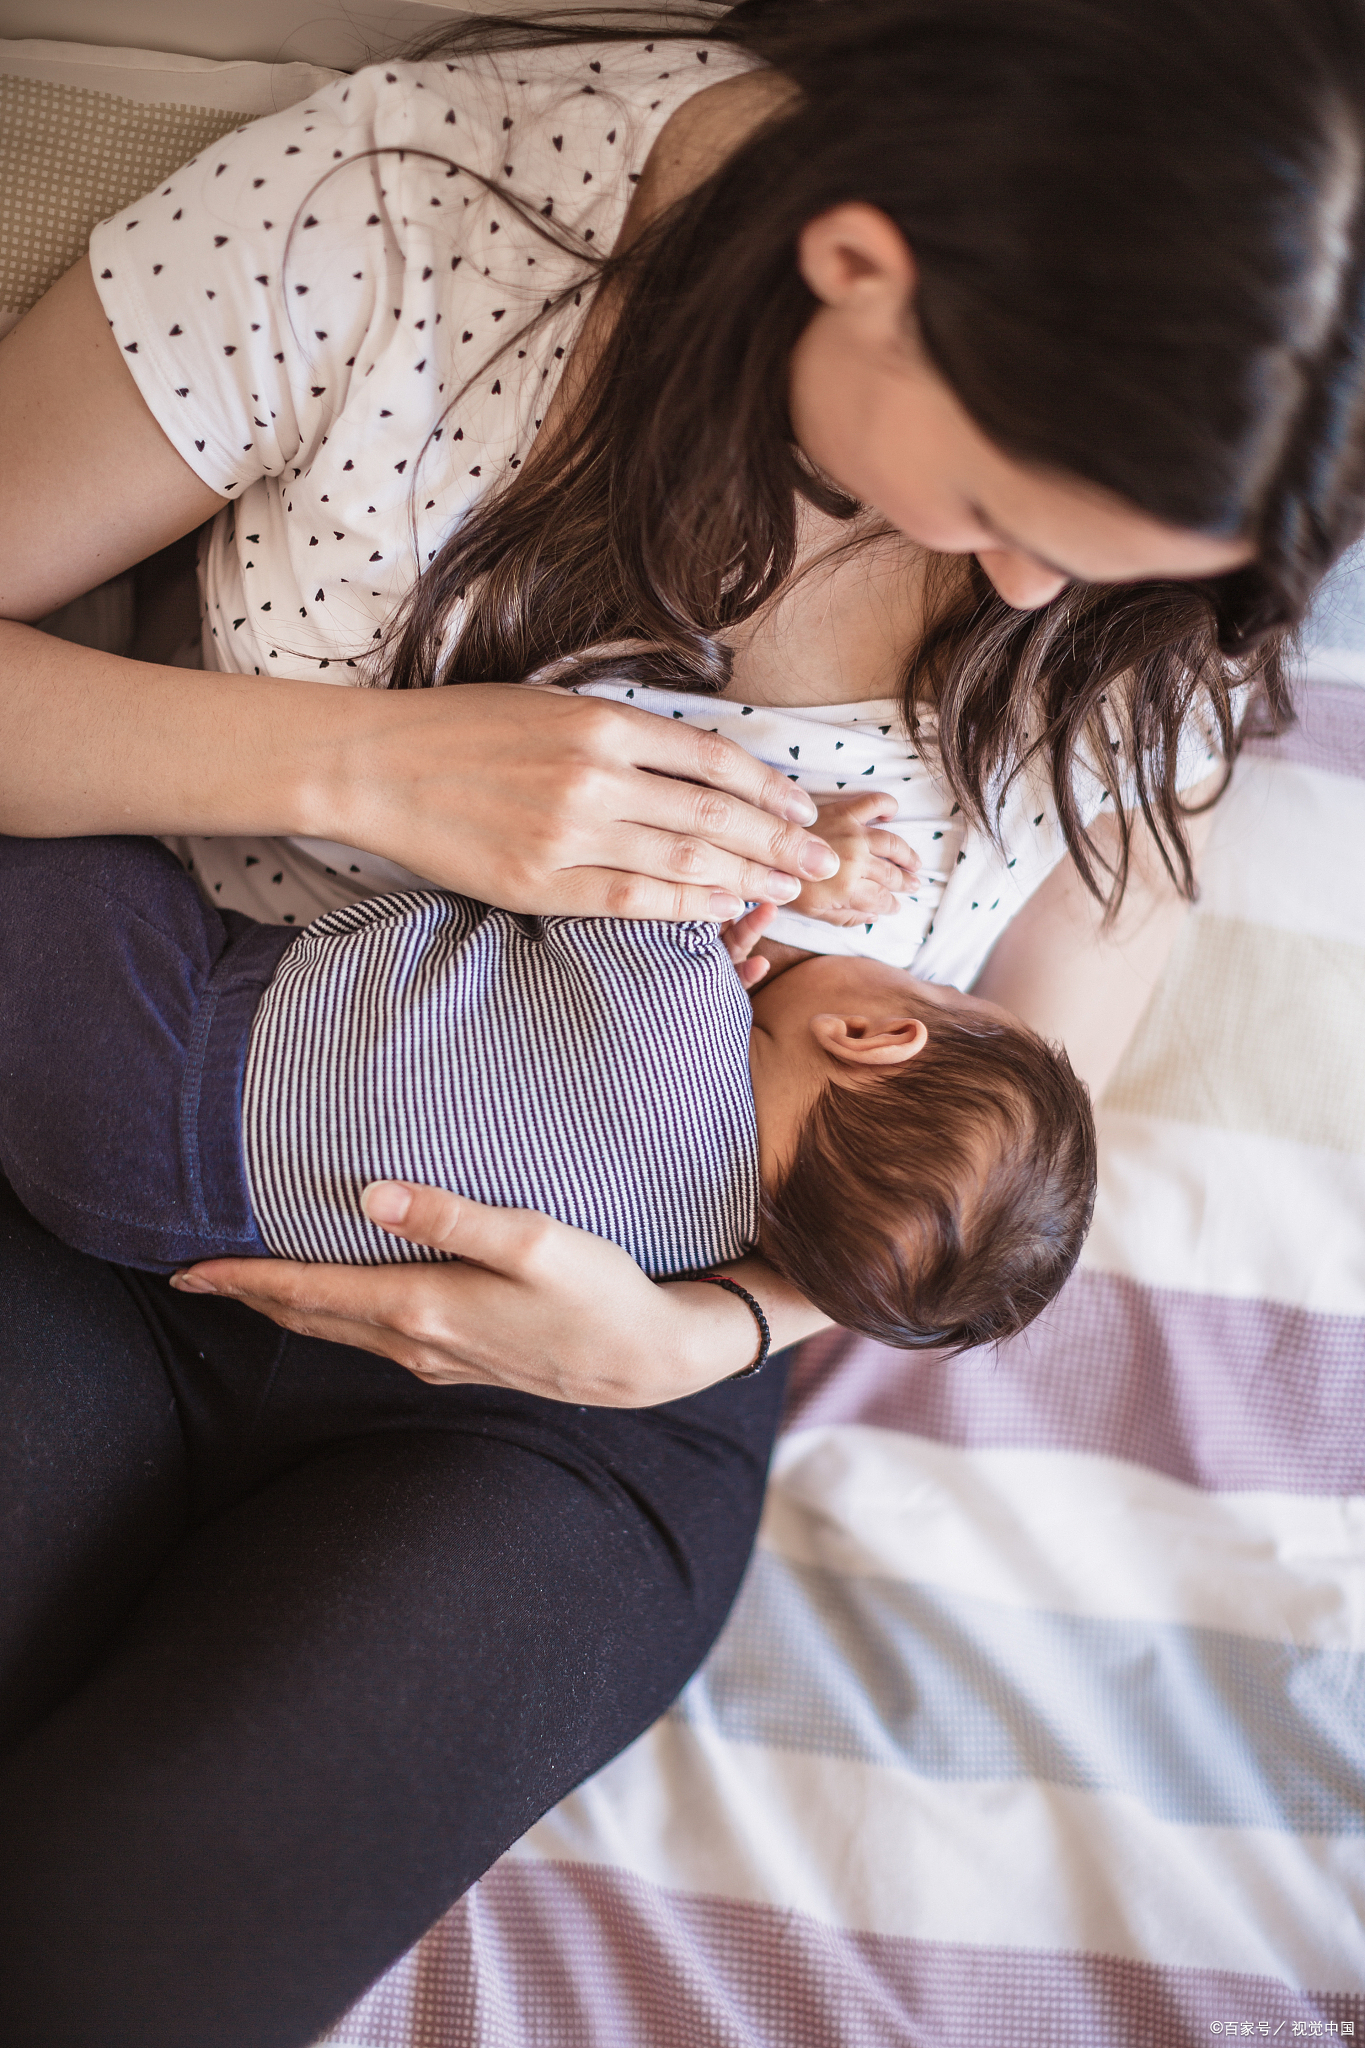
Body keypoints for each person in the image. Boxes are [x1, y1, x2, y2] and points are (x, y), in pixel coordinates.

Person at [2, 2, 1364, 2039]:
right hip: (111, 1125)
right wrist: (353, 772)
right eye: (1003, 506)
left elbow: (1027, 1102)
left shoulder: (1139, 593)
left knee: (113, 1964)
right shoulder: (403, 215)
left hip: (583, 1392)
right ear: (860, 267)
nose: (1019, 586)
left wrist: (711, 1328)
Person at [0, 831, 1095, 1349]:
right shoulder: (678, 1263)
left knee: (56, 833)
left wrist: (803, 859)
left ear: (873, 1032)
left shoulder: (672, 978)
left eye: (931, 980)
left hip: (164, 1027)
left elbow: (621, 831)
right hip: (142, 1219)